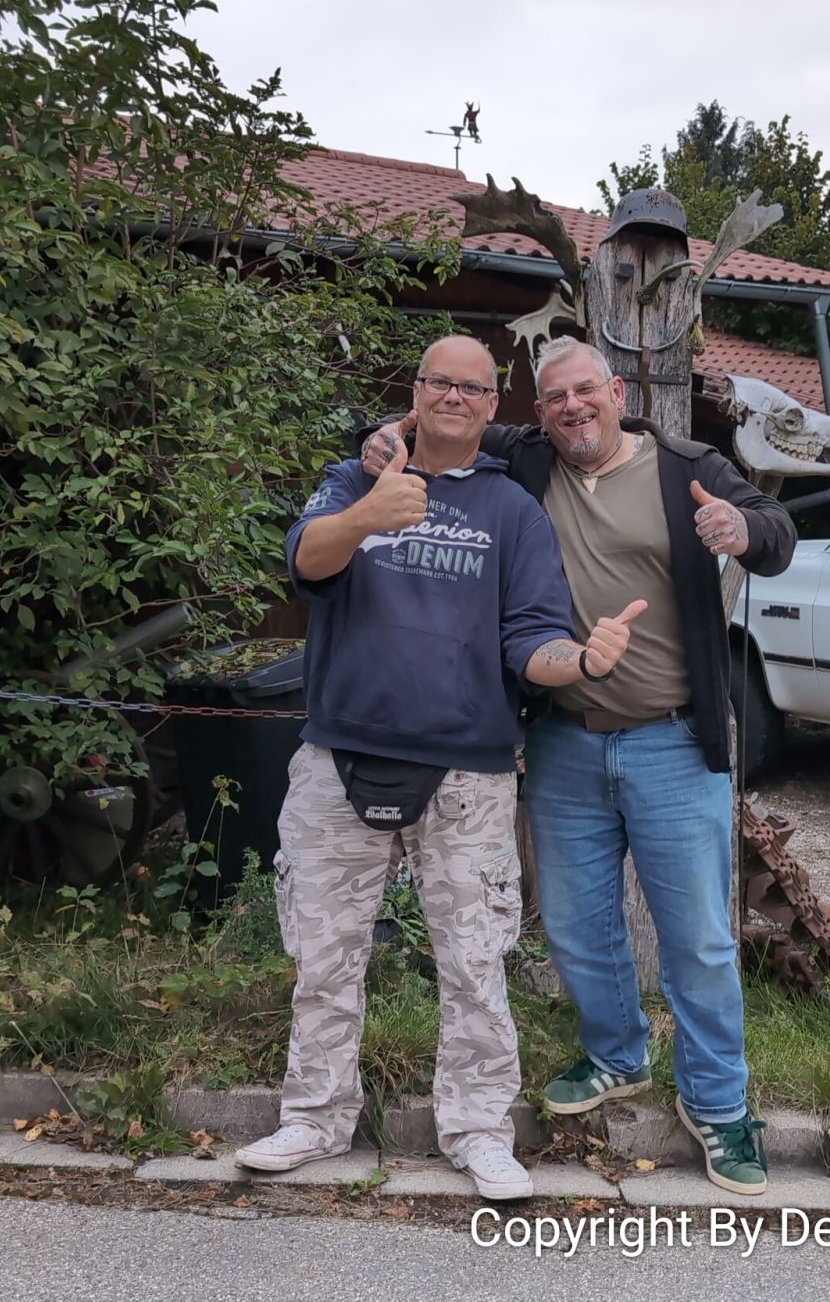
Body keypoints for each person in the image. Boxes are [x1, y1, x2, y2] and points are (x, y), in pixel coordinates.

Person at [361, 336, 795, 1196]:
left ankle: (719, 1105)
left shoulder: (683, 464)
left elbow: (778, 536)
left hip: (673, 740)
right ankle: (615, 1056)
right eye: (553, 398)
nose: (570, 409)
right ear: (538, 411)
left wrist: (742, 527)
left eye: (584, 391)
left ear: (616, 390)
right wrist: (389, 430)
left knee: (701, 940)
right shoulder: (525, 460)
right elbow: (448, 419)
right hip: (562, 736)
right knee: (572, 923)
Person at [235, 335, 644, 1202]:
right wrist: (366, 516)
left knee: (473, 958)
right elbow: (305, 561)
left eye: (475, 386)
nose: (455, 396)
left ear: (495, 406)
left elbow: (529, 639)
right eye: (440, 382)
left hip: (469, 772)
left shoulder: (513, 513)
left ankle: (479, 1131)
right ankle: (313, 1117)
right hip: (339, 754)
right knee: (325, 951)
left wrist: (583, 663)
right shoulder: (358, 479)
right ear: (414, 393)